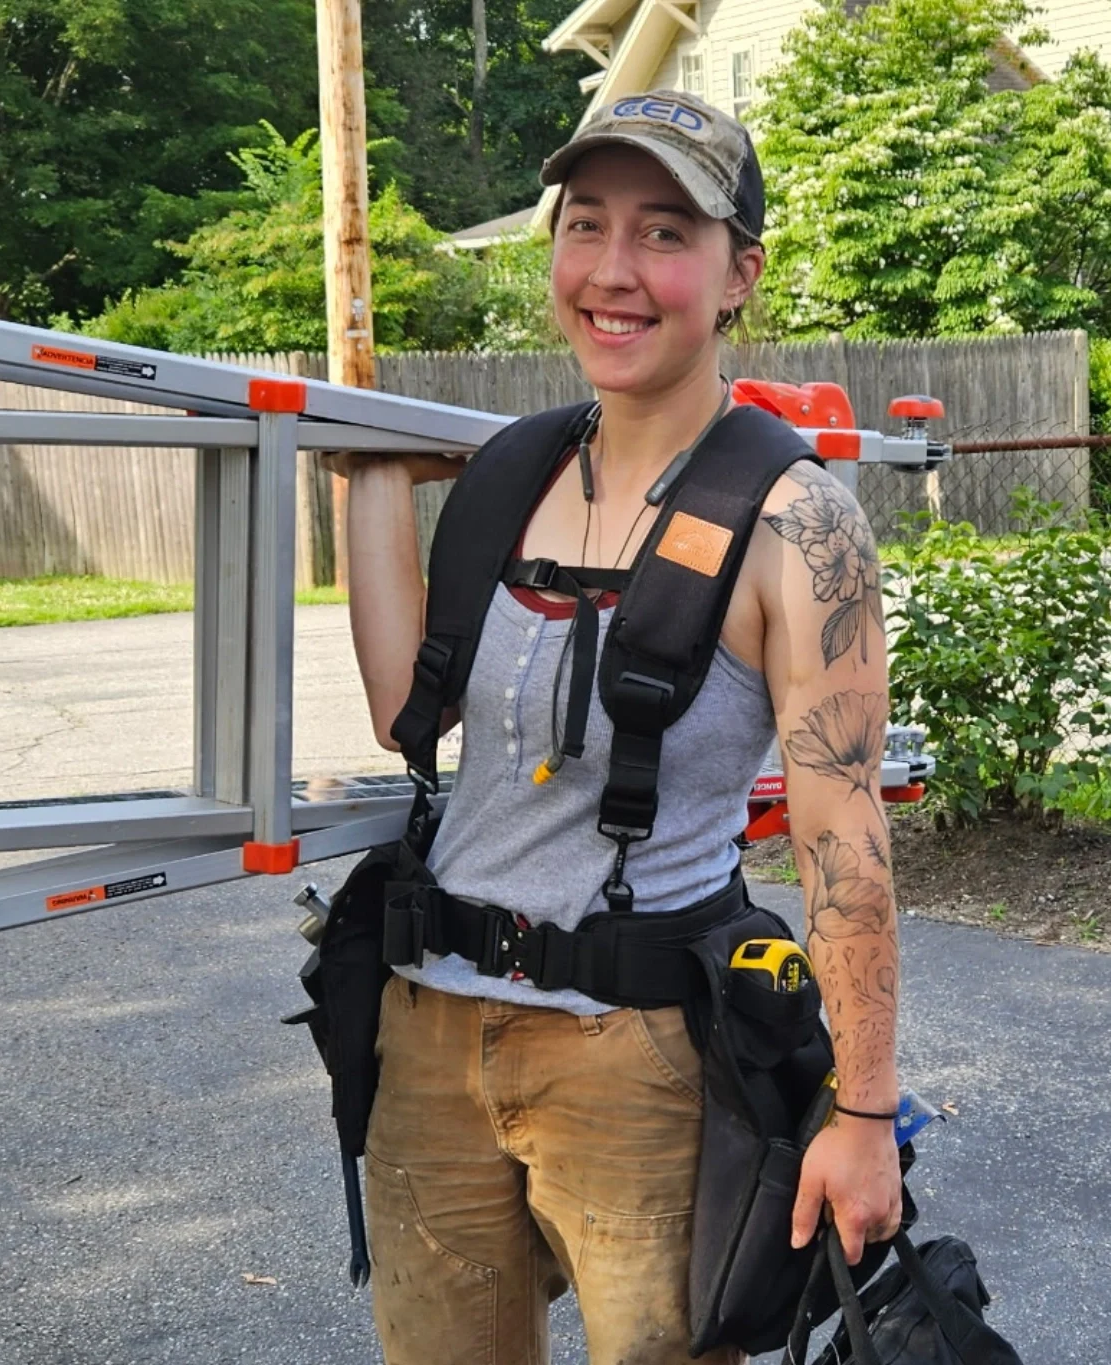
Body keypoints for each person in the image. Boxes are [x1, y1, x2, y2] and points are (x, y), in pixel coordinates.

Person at [333, 90, 903, 1365]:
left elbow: (843, 835)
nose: (612, 271)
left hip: (639, 1059)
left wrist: (862, 1112)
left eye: (663, 234)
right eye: (584, 226)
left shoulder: (799, 525)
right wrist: (371, 475)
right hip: (427, 1037)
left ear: (738, 273)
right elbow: (404, 713)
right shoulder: (508, 474)